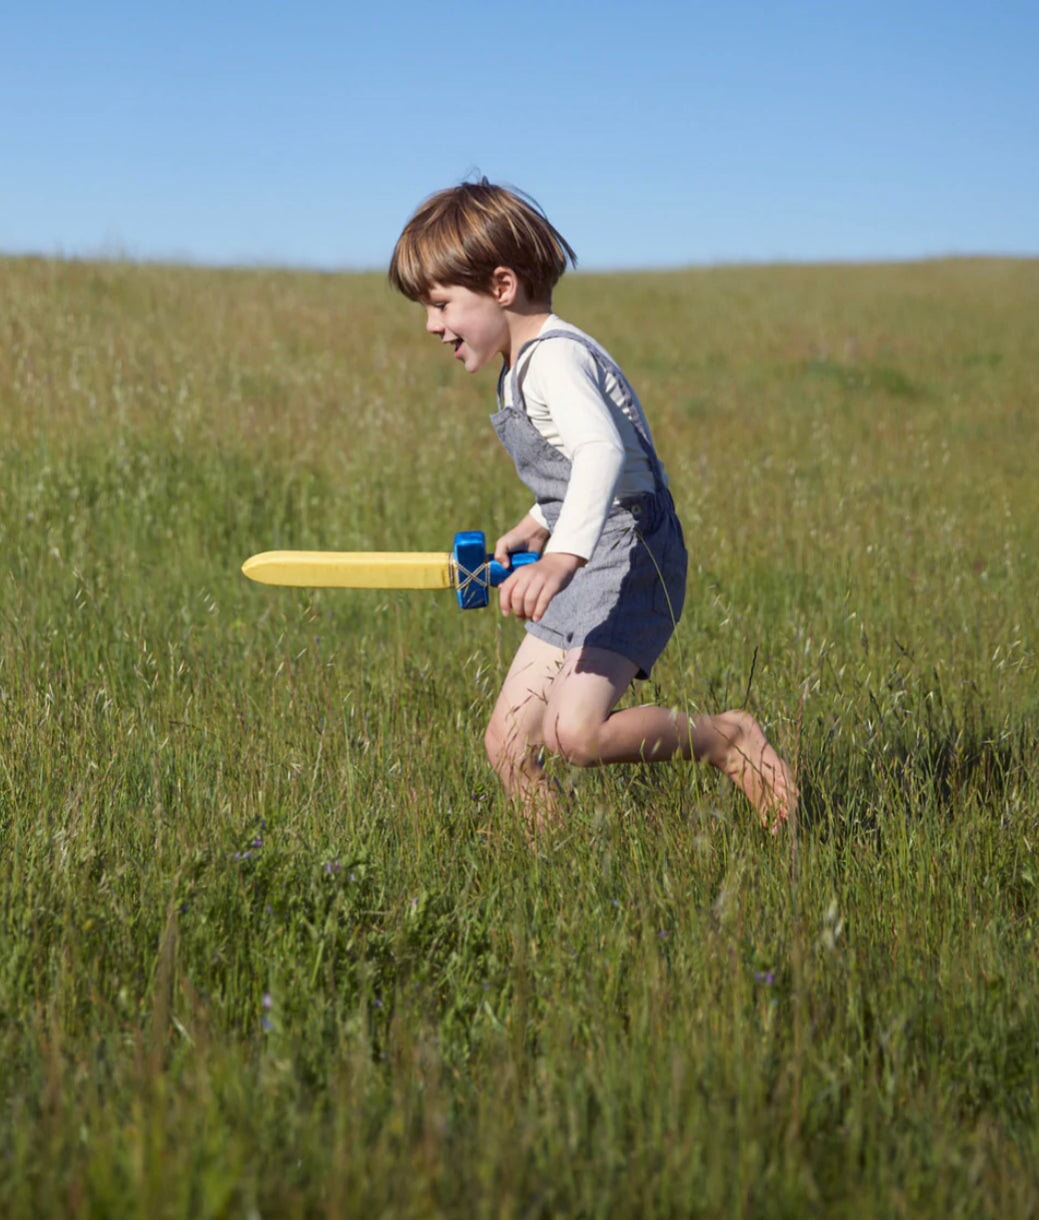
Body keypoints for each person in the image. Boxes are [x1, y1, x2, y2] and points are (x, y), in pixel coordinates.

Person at [389, 179, 794, 834]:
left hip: (628, 553)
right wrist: (538, 522)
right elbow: (574, 473)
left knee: (575, 734)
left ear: (500, 286)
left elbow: (603, 457)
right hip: (584, 551)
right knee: (509, 747)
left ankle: (726, 738)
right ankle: (559, 876)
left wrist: (558, 561)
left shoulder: (555, 360)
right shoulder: (518, 364)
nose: (431, 326)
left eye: (440, 304)